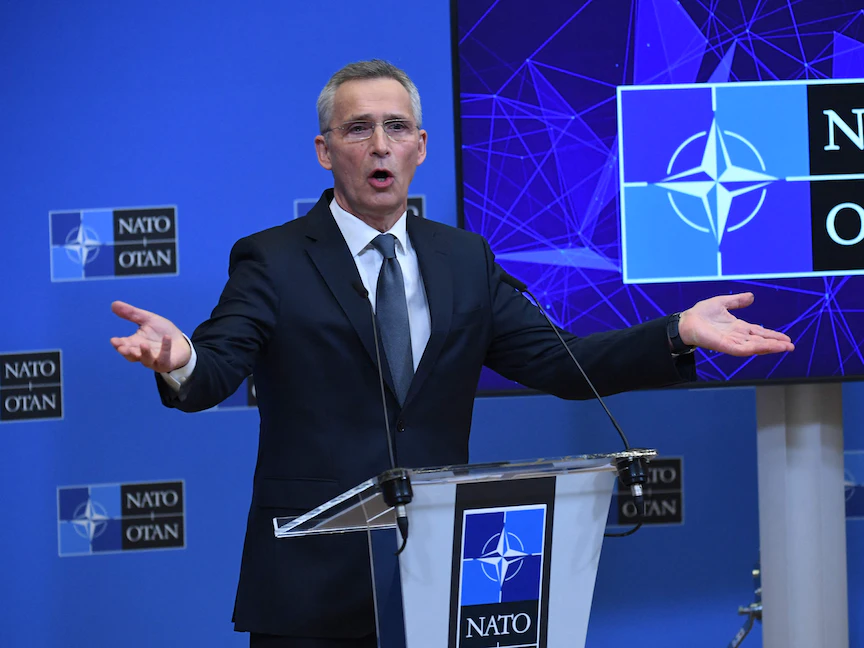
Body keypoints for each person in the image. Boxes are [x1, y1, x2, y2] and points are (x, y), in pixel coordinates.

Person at [109, 59, 794, 647]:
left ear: (421, 145)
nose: (380, 145)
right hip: (311, 584)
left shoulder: (464, 258)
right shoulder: (274, 259)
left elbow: (563, 363)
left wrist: (676, 332)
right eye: (358, 129)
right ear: (325, 150)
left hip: (446, 579)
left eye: (396, 127)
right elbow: (217, 366)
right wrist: (180, 359)